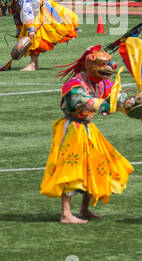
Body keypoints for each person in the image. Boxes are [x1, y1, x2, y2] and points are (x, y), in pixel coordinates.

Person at [40, 45, 134, 224]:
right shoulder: (75, 83)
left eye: (108, 64)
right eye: (102, 65)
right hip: (72, 129)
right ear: (89, 66)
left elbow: (117, 97)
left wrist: (133, 106)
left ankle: (84, 209)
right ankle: (66, 214)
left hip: (87, 128)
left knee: (95, 166)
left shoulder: (101, 82)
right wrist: (107, 105)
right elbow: (84, 103)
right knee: (71, 169)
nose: (108, 69)